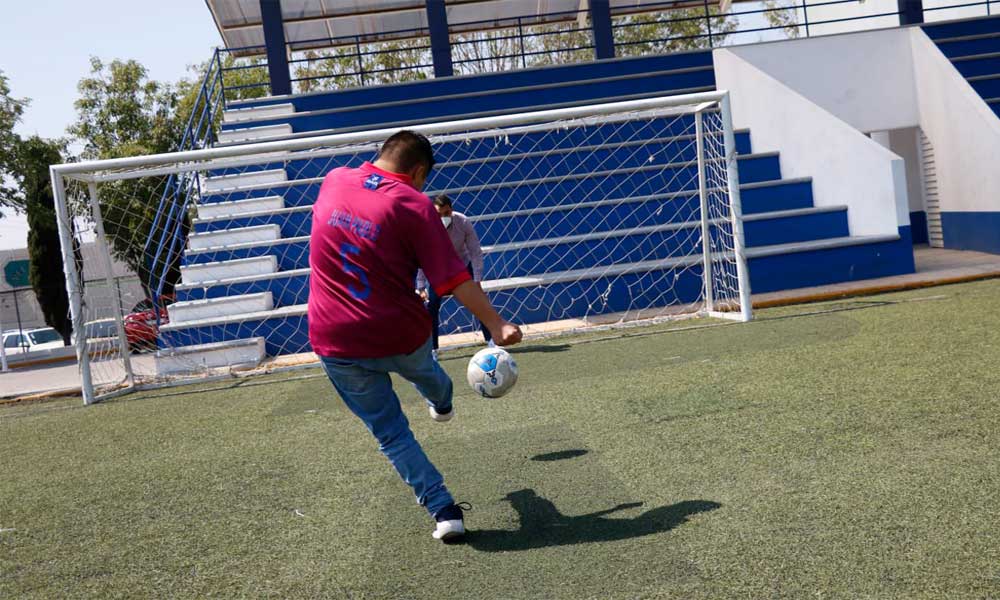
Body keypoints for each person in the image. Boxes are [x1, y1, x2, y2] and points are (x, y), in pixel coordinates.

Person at [307, 130, 523, 542]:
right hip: (398, 333)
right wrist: (496, 325)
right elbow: (453, 278)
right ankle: (441, 402)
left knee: (392, 435)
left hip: (334, 338)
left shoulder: (334, 179)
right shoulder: (414, 204)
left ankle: (444, 511)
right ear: (419, 171)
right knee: (431, 377)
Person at [416, 195, 491, 359]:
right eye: (439, 214)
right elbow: (423, 257)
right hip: (439, 270)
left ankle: (491, 341)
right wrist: (421, 286)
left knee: (478, 301)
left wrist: (477, 280)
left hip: (461, 266)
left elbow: (475, 251)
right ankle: (432, 350)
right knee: (432, 307)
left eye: (447, 212)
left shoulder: (463, 221)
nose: (443, 217)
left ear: (452, 209)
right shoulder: (426, 226)